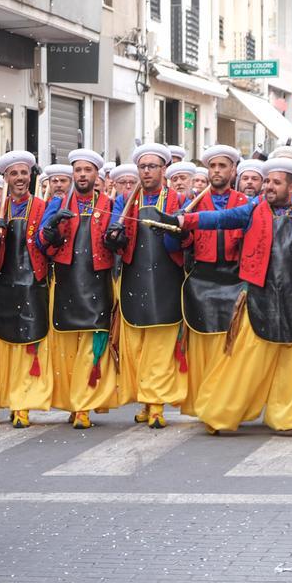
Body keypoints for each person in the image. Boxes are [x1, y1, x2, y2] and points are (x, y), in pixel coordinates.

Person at [177, 158, 292, 439]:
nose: (268, 187)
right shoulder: (253, 211)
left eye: (276, 182)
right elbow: (220, 219)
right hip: (259, 298)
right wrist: (183, 220)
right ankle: (219, 413)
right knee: (242, 361)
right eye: (267, 182)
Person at [103, 143, 187, 429]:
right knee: (137, 346)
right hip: (134, 277)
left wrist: (177, 232)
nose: (147, 171)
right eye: (142, 167)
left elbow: (185, 239)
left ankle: (157, 406)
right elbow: (114, 231)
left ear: (164, 170)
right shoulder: (125, 200)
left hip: (166, 279)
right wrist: (113, 237)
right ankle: (145, 399)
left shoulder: (177, 199)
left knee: (161, 347)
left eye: (152, 166)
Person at [38, 149, 118, 428]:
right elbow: (41, 242)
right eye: (78, 170)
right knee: (67, 350)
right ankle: (73, 402)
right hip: (65, 282)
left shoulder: (109, 204)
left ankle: (83, 406)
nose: (82, 175)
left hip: (97, 284)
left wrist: (114, 238)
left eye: (88, 170)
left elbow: (118, 240)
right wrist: (49, 231)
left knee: (92, 347)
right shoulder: (58, 203)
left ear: (97, 174)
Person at [177, 145, 248, 429]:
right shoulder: (193, 203)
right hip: (202, 280)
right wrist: (176, 228)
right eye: (213, 166)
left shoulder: (245, 202)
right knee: (205, 347)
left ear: (233, 171)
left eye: (223, 166)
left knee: (232, 347)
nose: (217, 171)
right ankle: (206, 404)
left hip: (236, 279)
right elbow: (179, 245)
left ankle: (227, 404)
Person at [0, 151, 51, 427]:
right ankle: (11, 399)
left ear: (30, 176)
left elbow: (49, 248)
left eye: (24, 173)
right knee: (7, 343)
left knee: (30, 344)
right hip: (5, 284)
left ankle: (23, 404)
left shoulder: (42, 208)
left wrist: (50, 235)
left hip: (34, 284)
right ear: (6, 178)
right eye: (14, 174)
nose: (20, 178)